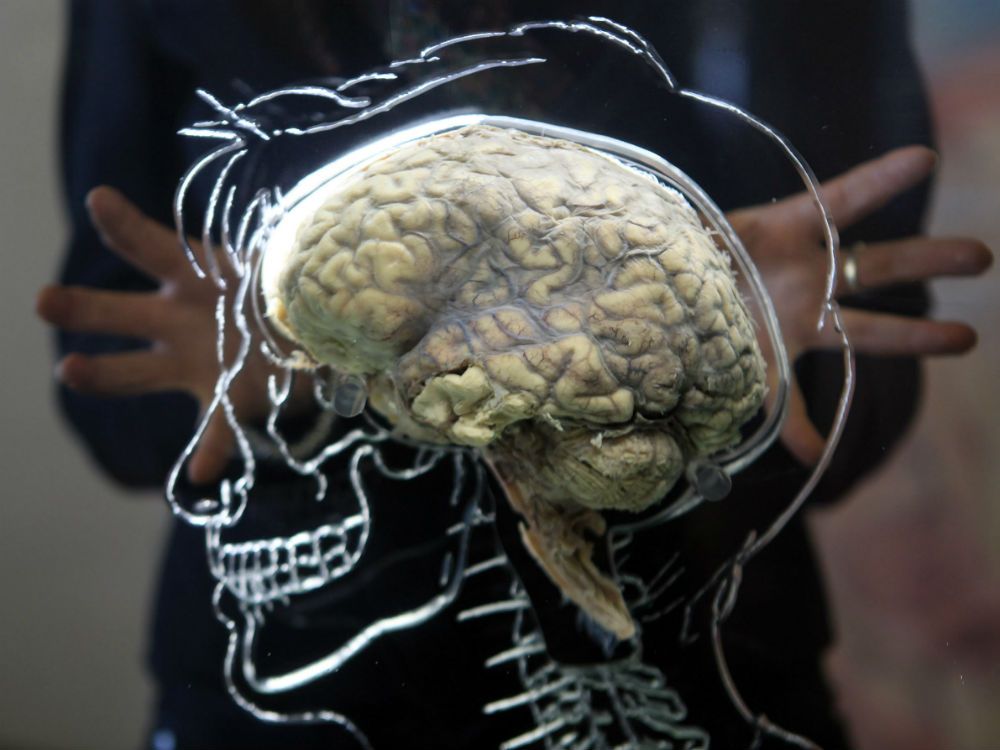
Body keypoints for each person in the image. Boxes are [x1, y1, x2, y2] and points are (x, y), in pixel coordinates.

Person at [37, 1, 991, 748]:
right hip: (281, 699)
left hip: (706, 683)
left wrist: (731, 374)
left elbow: (857, 395)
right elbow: (116, 377)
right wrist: (261, 388)